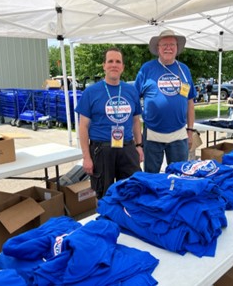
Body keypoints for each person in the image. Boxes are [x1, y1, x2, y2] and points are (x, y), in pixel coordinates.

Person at [75, 47, 144, 199]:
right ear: (104, 65)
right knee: (104, 195)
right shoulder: (91, 92)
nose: (114, 65)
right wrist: (86, 157)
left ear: (122, 67)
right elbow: (83, 127)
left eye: (118, 61)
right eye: (110, 61)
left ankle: (126, 221)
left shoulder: (131, 91)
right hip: (101, 150)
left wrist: (139, 146)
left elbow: (135, 121)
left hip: (127, 148)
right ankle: (105, 222)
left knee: (132, 191)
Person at [134, 30, 196, 173]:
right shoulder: (146, 69)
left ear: (177, 47)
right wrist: (136, 138)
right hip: (152, 133)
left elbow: (190, 102)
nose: (168, 48)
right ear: (158, 48)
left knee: (179, 176)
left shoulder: (184, 69)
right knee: (151, 176)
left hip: (179, 133)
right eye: (164, 44)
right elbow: (134, 101)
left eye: (172, 44)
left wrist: (190, 130)